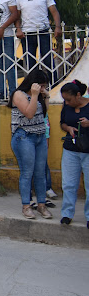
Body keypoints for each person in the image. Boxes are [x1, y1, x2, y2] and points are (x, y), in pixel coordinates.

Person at [9, 68, 52, 219]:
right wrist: (34, 95)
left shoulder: (39, 95)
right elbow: (29, 113)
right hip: (24, 137)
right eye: (41, 85)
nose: (43, 88)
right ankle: (26, 206)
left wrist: (45, 98)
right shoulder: (18, 94)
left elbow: (42, 115)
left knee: (40, 173)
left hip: (39, 136)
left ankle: (41, 204)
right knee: (27, 172)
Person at [15, 0, 61, 76]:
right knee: (30, 63)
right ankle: (34, 86)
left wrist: (58, 27)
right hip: (26, 34)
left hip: (43, 31)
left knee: (48, 60)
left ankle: (54, 84)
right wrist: (18, 29)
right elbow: (17, 16)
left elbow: (54, 12)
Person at [58, 80, 89, 228]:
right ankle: (67, 214)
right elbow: (62, 123)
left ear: (78, 95)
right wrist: (68, 128)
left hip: (87, 151)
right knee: (69, 184)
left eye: (69, 99)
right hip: (70, 149)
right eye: (65, 100)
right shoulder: (67, 106)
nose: (67, 103)